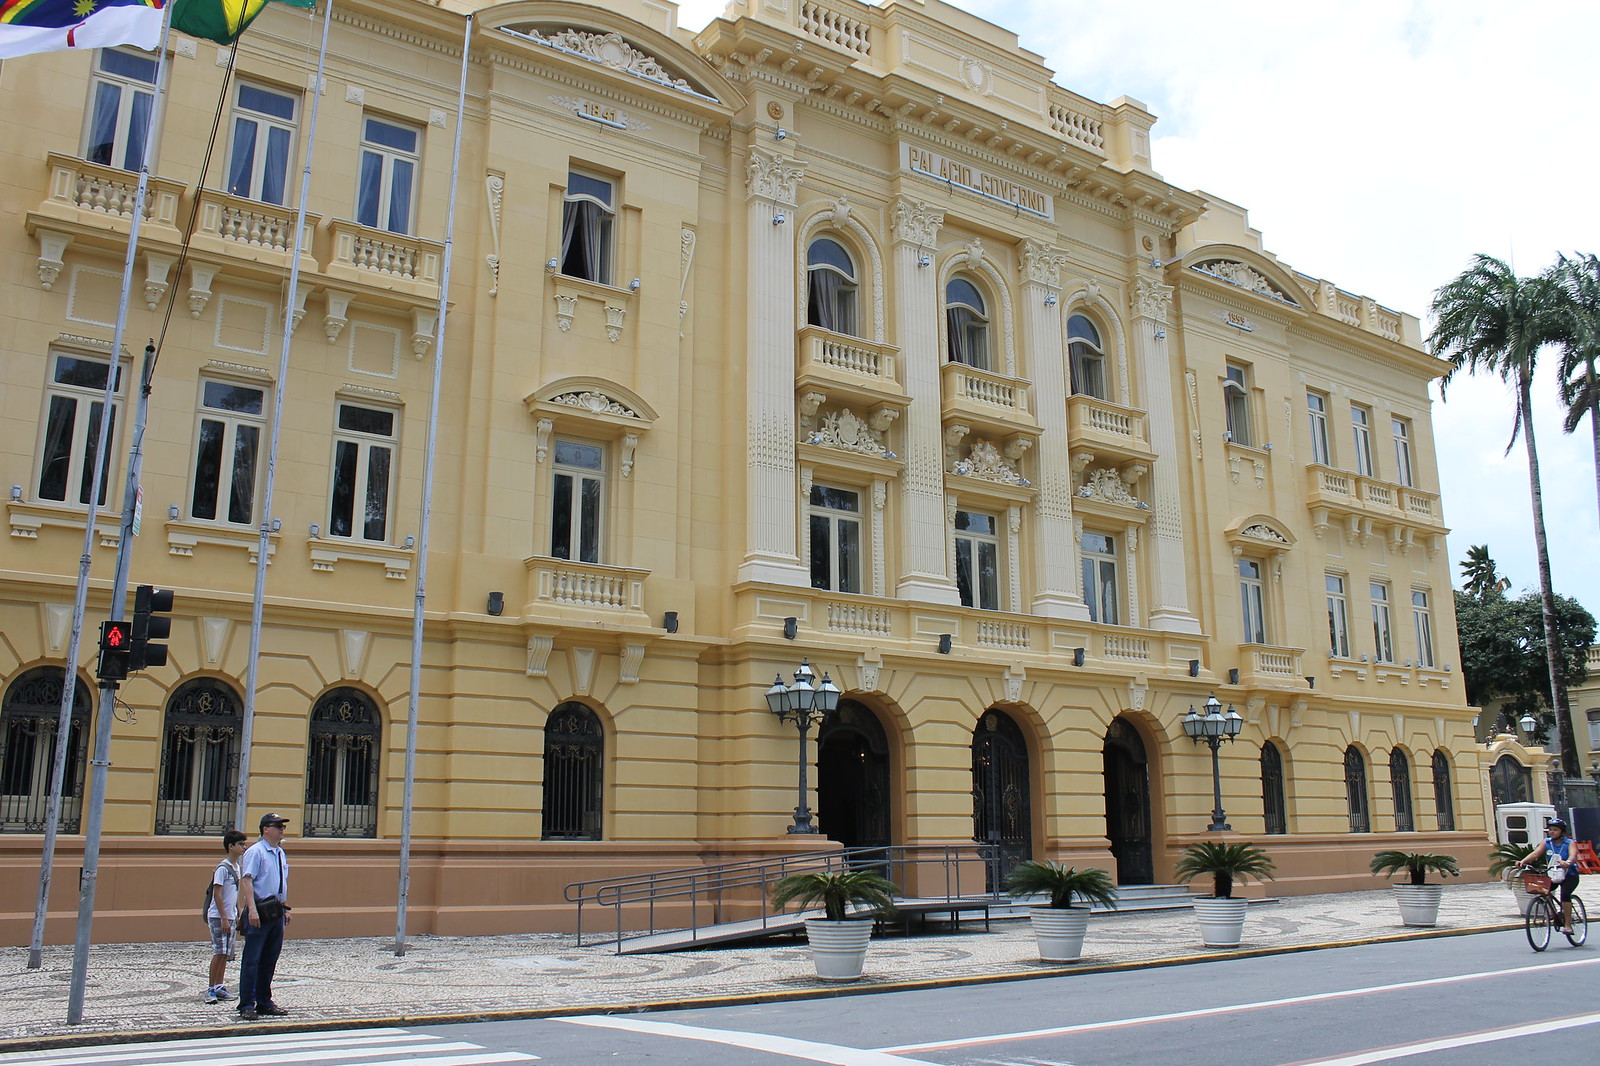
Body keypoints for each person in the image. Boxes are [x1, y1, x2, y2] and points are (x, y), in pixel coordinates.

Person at [236, 812, 292, 1020]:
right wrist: (251, 909)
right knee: (252, 959)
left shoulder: (279, 852)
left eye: (282, 827)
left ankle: (264, 1001)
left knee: (269, 959)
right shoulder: (256, 851)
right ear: (266, 829)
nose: (282, 830)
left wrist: (284, 908)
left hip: (275, 910)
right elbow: (247, 880)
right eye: (278, 826)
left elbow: (280, 882)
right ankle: (246, 1004)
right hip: (260, 909)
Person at [1516, 816, 1581, 934]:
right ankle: (1553, 912)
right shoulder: (1546, 842)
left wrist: (1567, 862)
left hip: (1569, 874)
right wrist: (1523, 861)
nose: (1552, 832)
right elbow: (1535, 853)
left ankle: (1567, 925)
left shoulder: (1569, 843)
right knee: (1542, 890)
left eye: (1555, 830)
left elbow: (1572, 855)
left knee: (1565, 895)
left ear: (1562, 832)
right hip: (1553, 874)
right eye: (1550, 830)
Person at [204, 829, 248, 1004]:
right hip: (218, 916)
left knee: (226, 953)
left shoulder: (237, 868)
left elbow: (234, 893)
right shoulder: (223, 868)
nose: (244, 847)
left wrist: (237, 912)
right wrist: (223, 917)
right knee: (219, 951)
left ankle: (219, 985)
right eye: (241, 844)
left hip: (230, 916)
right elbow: (217, 893)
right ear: (231, 846)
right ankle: (210, 988)